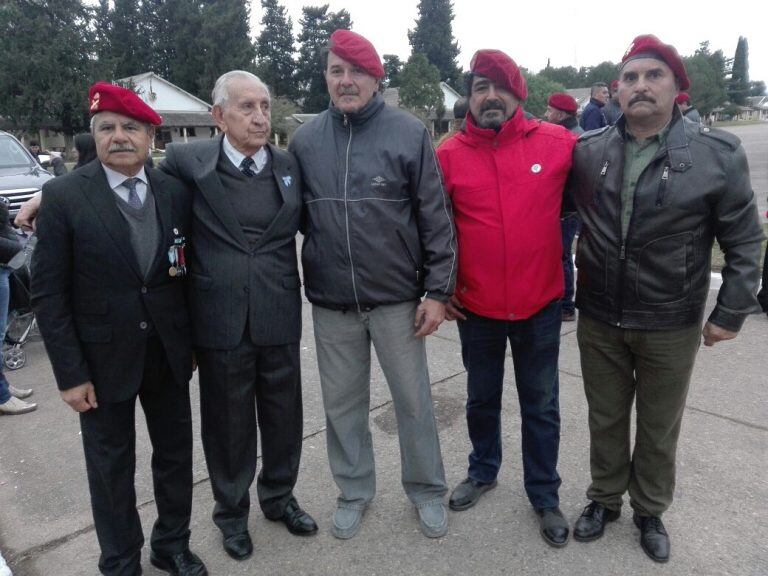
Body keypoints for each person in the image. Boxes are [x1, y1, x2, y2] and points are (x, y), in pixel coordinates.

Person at [568, 34, 763, 563]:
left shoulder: (715, 154)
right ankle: (603, 500)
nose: (640, 86)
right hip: (600, 316)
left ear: (677, 87)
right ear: (616, 91)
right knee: (604, 417)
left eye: (653, 75)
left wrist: (731, 312)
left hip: (670, 320)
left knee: (658, 425)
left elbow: (744, 240)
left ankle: (649, 508)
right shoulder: (588, 153)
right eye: (629, 77)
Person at [30, 82, 207, 576]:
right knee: (111, 469)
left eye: (130, 127)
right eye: (106, 128)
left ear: (152, 135)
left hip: (169, 352)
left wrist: (190, 342)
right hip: (100, 361)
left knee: (174, 458)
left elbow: (185, 272)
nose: (119, 136)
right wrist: (69, 373)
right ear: (93, 136)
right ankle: (121, 559)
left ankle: (170, 544)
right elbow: (49, 293)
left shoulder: (175, 191)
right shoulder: (63, 196)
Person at [289, 30, 456, 540]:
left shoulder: (408, 134)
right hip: (333, 303)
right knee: (342, 407)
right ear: (326, 77)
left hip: (397, 301)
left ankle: (426, 489)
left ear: (376, 78)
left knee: (412, 400)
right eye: (336, 71)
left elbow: (436, 217)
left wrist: (438, 291)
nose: (346, 81)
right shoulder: (305, 140)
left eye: (356, 71)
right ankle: (354, 491)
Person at [160, 70, 317, 560]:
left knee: (284, 416)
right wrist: (49, 195)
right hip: (219, 317)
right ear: (218, 115)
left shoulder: (290, 165)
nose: (260, 117)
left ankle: (278, 497)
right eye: (247, 107)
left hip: (278, 311)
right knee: (227, 425)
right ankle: (231, 515)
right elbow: (126, 182)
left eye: (265, 106)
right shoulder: (188, 161)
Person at [436, 49, 576, 548]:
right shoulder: (447, 155)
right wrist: (440, 288)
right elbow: (434, 230)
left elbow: (588, 211)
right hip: (477, 310)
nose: (490, 96)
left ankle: (544, 493)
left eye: (500, 86)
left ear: (519, 94)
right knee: (481, 398)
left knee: (541, 406)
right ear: (469, 97)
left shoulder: (560, 144)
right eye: (479, 87)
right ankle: (483, 470)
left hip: (539, 306)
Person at [544, 92, 582, 322]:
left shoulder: (569, 138)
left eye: (549, 111)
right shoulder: (577, 134)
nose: (546, 115)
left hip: (565, 210)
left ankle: (566, 305)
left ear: (559, 114)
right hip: (569, 209)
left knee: (562, 257)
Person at [0, 196, 36, 416]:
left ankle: (3, 386)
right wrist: (14, 248)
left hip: (4, 265)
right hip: (3, 259)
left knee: (1, 332)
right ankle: (2, 396)